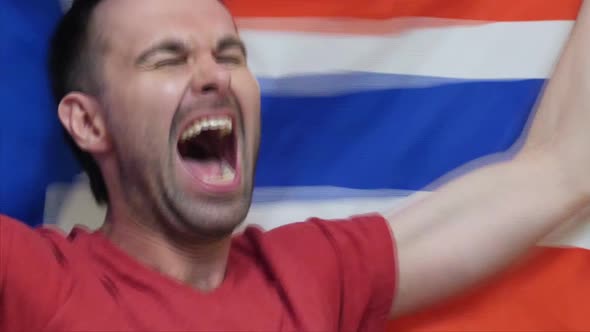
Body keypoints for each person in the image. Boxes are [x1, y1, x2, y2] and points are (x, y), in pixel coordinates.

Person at [1, 0, 589, 330]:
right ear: (88, 123)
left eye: (230, 54)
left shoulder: (309, 275)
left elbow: (564, 169)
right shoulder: (39, 281)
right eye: (167, 60)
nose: (214, 75)